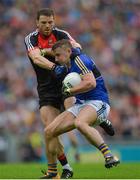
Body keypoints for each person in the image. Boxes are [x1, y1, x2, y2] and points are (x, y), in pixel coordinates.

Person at [45, 39, 120, 177]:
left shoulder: (80, 60)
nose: (56, 59)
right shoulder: (65, 65)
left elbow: (91, 83)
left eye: (58, 55)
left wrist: (70, 91)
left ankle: (109, 155)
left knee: (80, 123)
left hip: (98, 102)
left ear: (68, 52)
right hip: (81, 104)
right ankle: (58, 170)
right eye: (54, 56)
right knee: (49, 131)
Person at [24, 8, 81, 179]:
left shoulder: (62, 34)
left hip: (67, 85)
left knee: (75, 122)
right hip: (46, 90)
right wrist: (54, 66)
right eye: (43, 23)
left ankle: (93, 132)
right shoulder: (31, 38)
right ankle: (64, 168)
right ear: (37, 23)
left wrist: (48, 51)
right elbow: (35, 57)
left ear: (54, 21)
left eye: (50, 22)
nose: (47, 26)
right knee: (50, 130)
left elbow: (77, 48)